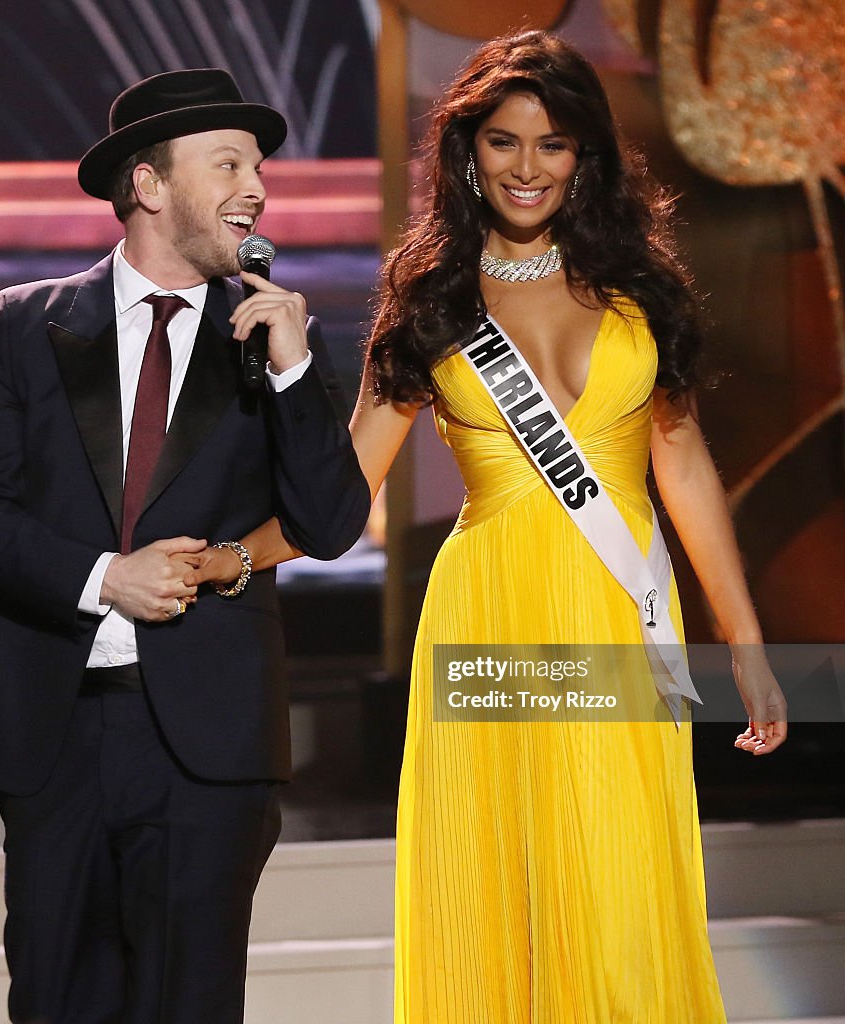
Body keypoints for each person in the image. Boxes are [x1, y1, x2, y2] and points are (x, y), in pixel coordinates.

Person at [189, 28, 789, 1023]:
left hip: (617, 611)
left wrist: (746, 640)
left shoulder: (643, 290)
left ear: (583, 156)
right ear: (467, 152)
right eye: (502, 142)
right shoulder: (431, 302)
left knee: (619, 879)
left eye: (551, 144)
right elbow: (338, 497)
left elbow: (680, 465)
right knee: (500, 880)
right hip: (487, 618)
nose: (526, 166)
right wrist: (232, 556)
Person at [0, 68, 370, 1024]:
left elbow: (332, 524)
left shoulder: (278, 336)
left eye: (258, 166)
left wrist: (295, 374)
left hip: (210, 734)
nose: (255, 185)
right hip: (54, 723)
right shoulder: (24, 323)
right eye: (227, 163)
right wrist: (103, 579)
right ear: (149, 184)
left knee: (191, 1002)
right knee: (58, 999)